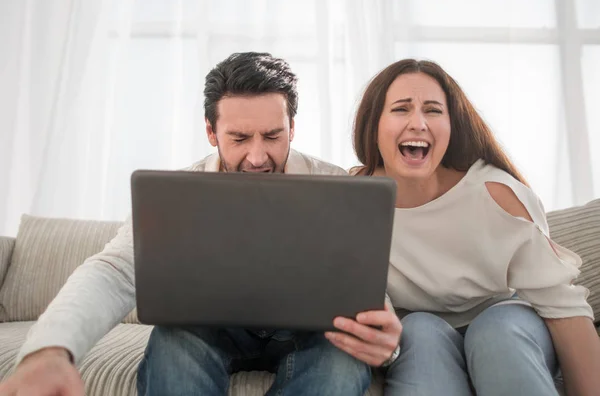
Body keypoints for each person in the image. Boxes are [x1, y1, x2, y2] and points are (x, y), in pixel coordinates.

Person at [0, 52, 371, 396]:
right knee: (175, 345)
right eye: (239, 138)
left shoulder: (334, 184)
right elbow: (115, 271)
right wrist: (50, 350)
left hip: (307, 332)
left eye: (272, 136)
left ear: (291, 128)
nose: (257, 157)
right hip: (210, 328)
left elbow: (361, 278)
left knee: (343, 363)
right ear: (211, 132)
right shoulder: (174, 194)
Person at [325, 59, 600, 396]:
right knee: (420, 330)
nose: (418, 123)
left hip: (507, 320)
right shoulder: (354, 199)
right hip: (421, 330)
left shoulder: (497, 194)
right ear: (374, 124)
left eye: (433, 110)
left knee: (494, 330)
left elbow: (563, 308)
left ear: (451, 125)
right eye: (400, 109)